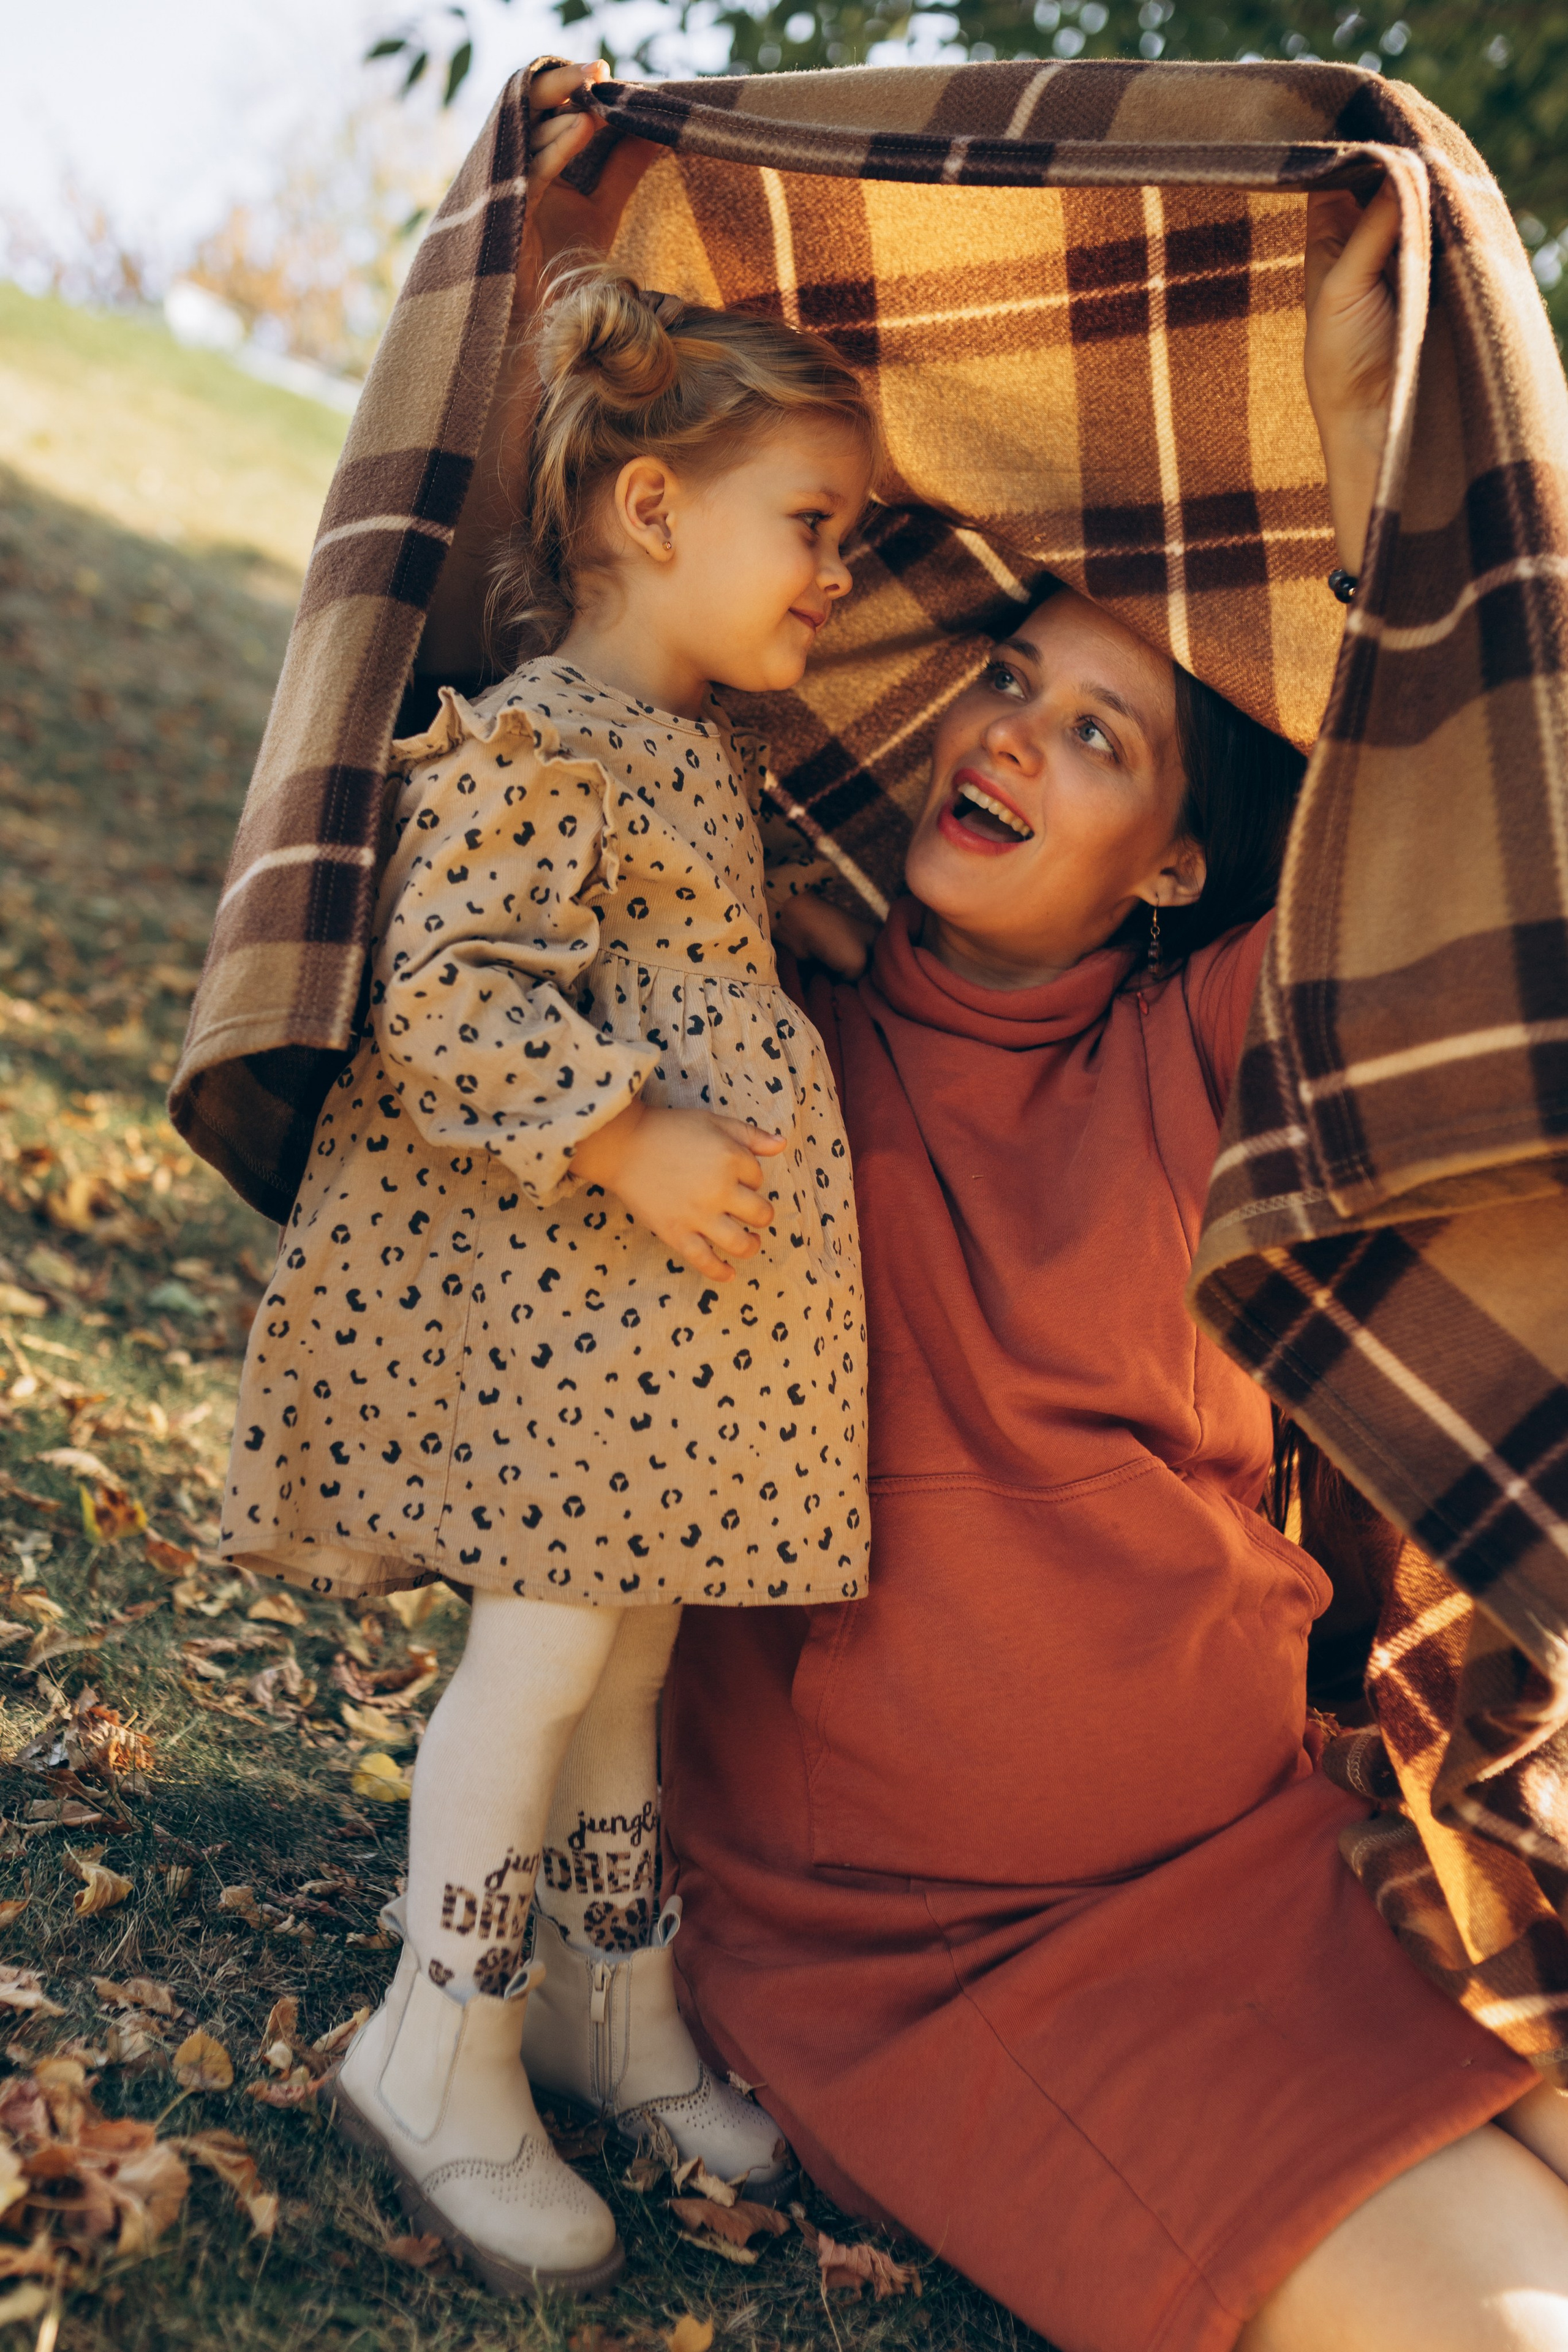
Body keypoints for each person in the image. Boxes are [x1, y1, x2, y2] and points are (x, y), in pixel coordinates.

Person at [654, 172, 1568, 2352]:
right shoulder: (738, 1023)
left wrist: (1375, 446)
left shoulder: (1197, 1056)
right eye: (1009, 685)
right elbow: (598, 622)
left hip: (1281, 1858)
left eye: (1099, 736)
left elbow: (1475, 825)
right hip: (937, 1953)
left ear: (1172, 861)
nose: (1007, 739)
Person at [217, 255, 880, 2296]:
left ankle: (612, 2005)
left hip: (665, 1355)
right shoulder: (543, 737)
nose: (838, 578)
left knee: (634, 1658)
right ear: (654, 511)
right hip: (568, 1321)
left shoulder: (703, 749)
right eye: (815, 528)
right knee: (539, 1660)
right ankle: (441, 2039)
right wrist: (631, 1130)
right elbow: (449, 995)